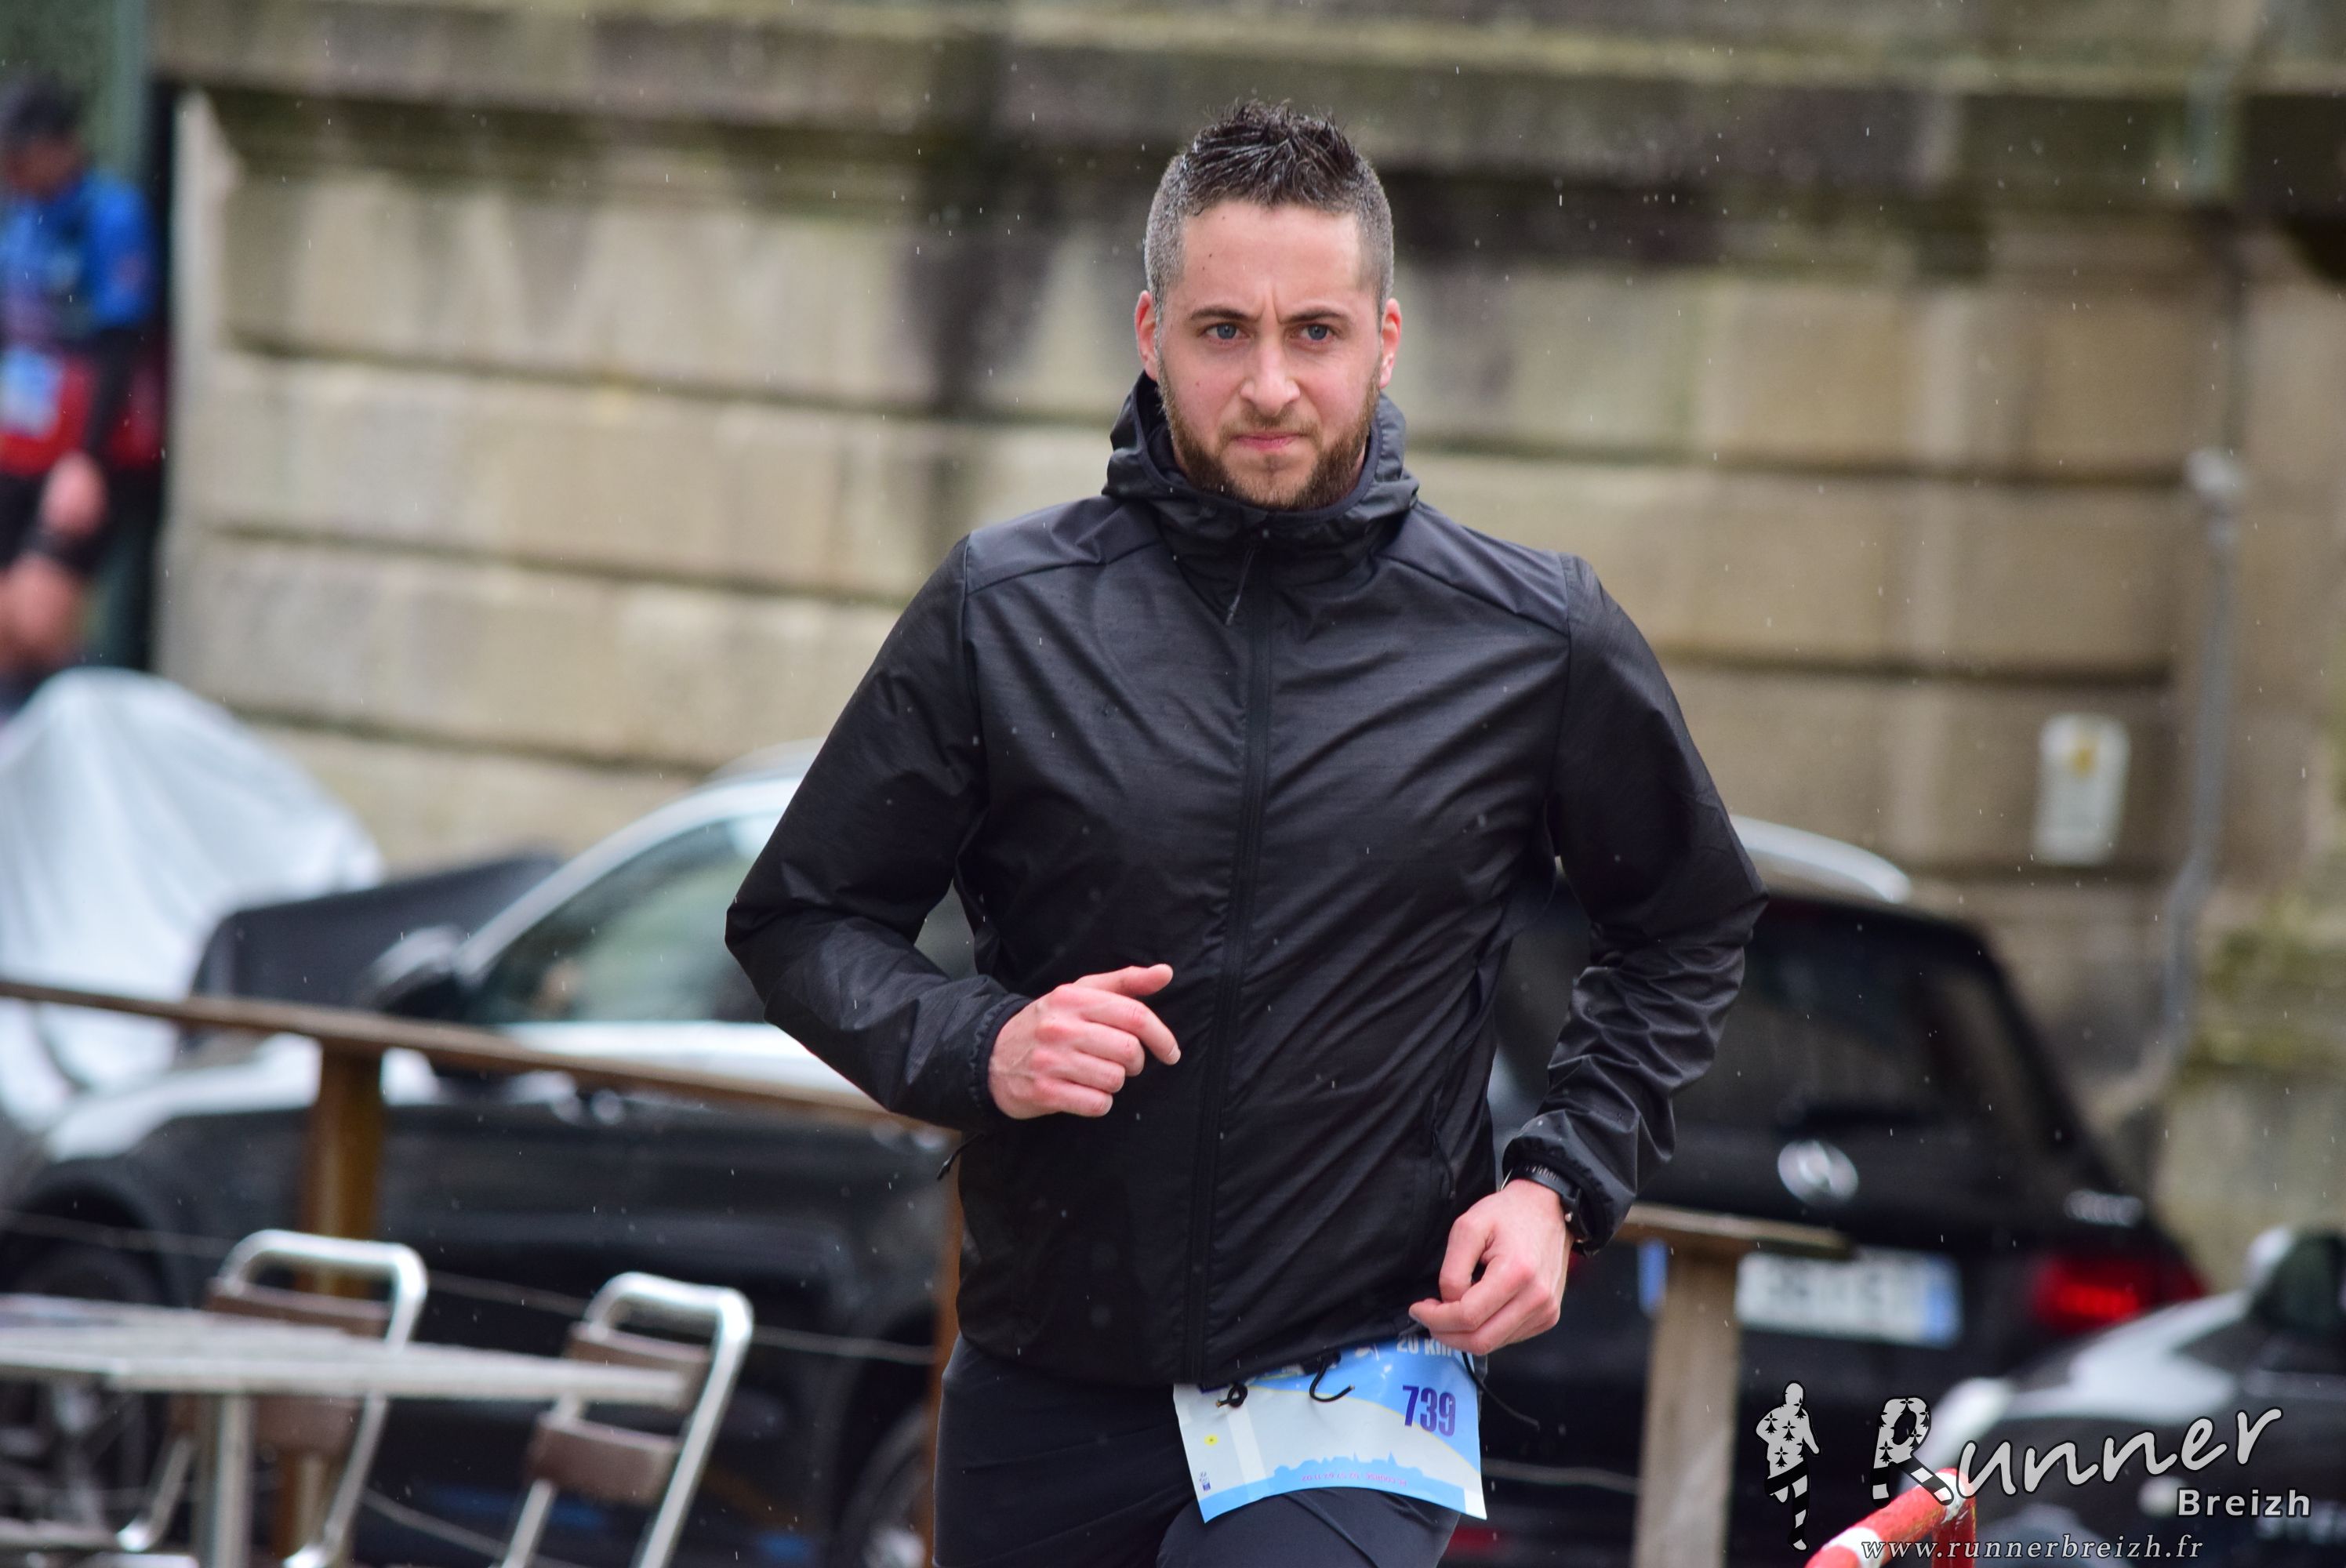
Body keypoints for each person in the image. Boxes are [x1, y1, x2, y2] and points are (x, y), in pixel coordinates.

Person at [727, 101, 1767, 1567]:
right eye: (1224, 332)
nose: (1271, 385)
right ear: (1151, 333)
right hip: (1041, 1384)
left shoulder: (1533, 637)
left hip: (1354, 1384)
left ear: (1385, 342)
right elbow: (799, 919)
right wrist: (982, 1044)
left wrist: (1559, 1186)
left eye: (1314, 334)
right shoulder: (1002, 613)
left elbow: (1685, 921)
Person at [0, 73, 164, 710]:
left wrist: (86, 462)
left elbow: (122, 343)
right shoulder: (21, 218)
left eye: (18, 157)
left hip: (88, 454)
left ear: (56, 145)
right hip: (19, 447)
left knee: (40, 617)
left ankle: (99, 725)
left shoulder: (109, 215)